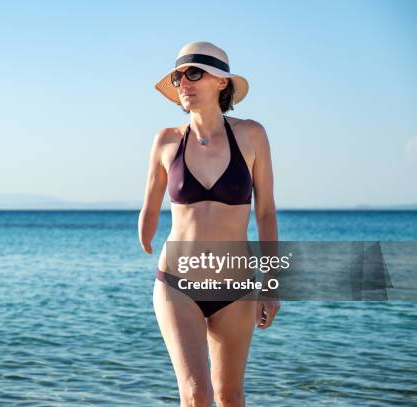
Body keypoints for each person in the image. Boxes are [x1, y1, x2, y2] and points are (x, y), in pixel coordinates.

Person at [138, 41, 280, 407]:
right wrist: (146, 229)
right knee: (197, 394)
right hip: (176, 283)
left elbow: (265, 212)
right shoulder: (166, 141)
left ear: (221, 82)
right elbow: (150, 204)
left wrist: (273, 282)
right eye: (178, 75)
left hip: (236, 286)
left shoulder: (252, 135)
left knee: (230, 396)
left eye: (194, 73)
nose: (184, 82)